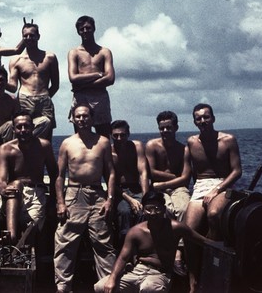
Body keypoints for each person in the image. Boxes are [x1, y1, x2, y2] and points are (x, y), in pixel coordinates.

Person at [94, 190, 210, 293]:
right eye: (149, 209)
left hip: (159, 274)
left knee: (149, 289)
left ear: (164, 209)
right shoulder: (136, 231)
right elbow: (123, 258)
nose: (153, 213)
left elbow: (203, 241)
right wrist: (112, 279)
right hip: (137, 271)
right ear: (143, 210)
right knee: (101, 287)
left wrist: (220, 247)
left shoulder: (176, 227)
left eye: (157, 209)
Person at [54, 103, 116, 293]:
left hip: (97, 193)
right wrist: (61, 202)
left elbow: (111, 173)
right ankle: (63, 287)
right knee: (65, 242)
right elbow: (59, 175)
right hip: (74, 194)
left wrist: (110, 199)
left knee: (103, 242)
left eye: (86, 116)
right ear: (73, 118)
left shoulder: (103, 142)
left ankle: (106, 285)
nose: (82, 119)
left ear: (92, 118)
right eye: (78, 116)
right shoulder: (67, 143)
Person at [184, 103, 242, 292]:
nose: (203, 121)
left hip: (222, 183)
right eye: (198, 118)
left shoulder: (228, 140)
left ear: (213, 118)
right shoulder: (192, 142)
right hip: (200, 185)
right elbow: (192, 173)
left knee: (214, 214)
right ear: (194, 122)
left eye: (206, 117)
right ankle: (193, 279)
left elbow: (237, 171)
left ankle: (212, 267)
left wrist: (216, 190)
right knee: (188, 229)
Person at [0, 110, 58, 245]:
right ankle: (11, 236)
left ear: (33, 127)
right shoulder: (5, 149)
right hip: (13, 196)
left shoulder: (44, 146)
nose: (23, 130)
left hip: (36, 193)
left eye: (26, 126)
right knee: (16, 184)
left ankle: (21, 247)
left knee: (33, 228)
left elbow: (55, 173)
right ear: (14, 129)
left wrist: (54, 200)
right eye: (19, 127)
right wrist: (3, 190)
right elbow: (1, 180)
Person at [145, 111, 191, 275]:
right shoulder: (152, 146)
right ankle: (166, 252)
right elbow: (149, 171)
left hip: (176, 188)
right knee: (167, 209)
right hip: (159, 189)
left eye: (168, 128)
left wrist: (165, 182)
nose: (165, 131)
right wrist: (173, 177)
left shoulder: (183, 149)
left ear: (176, 127)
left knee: (184, 209)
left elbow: (186, 178)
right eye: (162, 128)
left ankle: (179, 252)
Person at [7, 22, 59, 141]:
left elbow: (55, 85)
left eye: (32, 35)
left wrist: (44, 98)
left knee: (46, 138)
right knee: (22, 134)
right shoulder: (16, 60)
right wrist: (0, 82)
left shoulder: (49, 57)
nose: (29, 38)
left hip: (45, 100)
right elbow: (13, 86)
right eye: (25, 36)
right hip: (24, 100)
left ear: (38, 36)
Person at [68, 15, 115, 137]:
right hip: (80, 98)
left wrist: (84, 86)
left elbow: (110, 78)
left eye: (88, 28)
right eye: (82, 29)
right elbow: (73, 78)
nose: (85, 31)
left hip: (99, 98)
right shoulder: (74, 53)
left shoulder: (104, 52)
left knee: (104, 135)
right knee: (80, 136)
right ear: (78, 31)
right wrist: (98, 74)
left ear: (94, 28)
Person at [110, 120, 150, 249]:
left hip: (136, 188)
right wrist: (130, 200)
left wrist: (145, 197)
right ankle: (125, 251)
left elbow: (143, 172)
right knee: (124, 212)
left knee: (143, 212)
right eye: (115, 135)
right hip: (119, 191)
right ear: (111, 135)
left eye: (122, 135)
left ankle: (141, 249)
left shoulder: (136, 146)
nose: (119, 138)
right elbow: (110, 181)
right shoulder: (109, 153)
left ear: (128, 134)